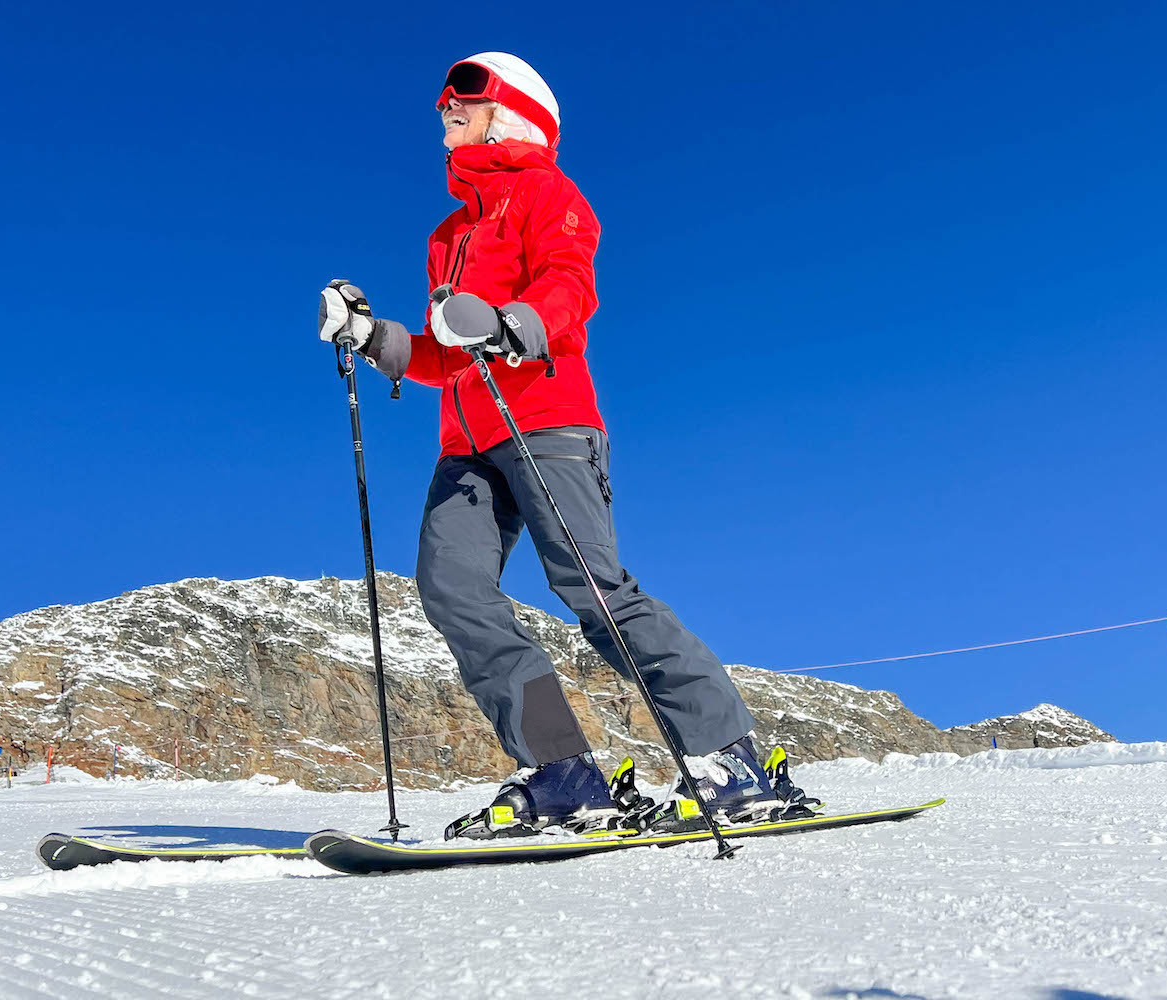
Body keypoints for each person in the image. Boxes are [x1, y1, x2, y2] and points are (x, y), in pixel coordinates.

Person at [318, 52, 810, 838]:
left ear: (510, 111)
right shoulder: (449, 235)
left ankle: (733, 759)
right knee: (451, 588)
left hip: (548, 422)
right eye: (444, 101)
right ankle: (564, 771)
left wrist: (517, 325)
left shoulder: (550, 194)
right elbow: (450, 357)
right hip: (470, 441)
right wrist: (372, 336)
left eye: (465, 99)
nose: (447, 109)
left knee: (594, 591)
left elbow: (569, 284)